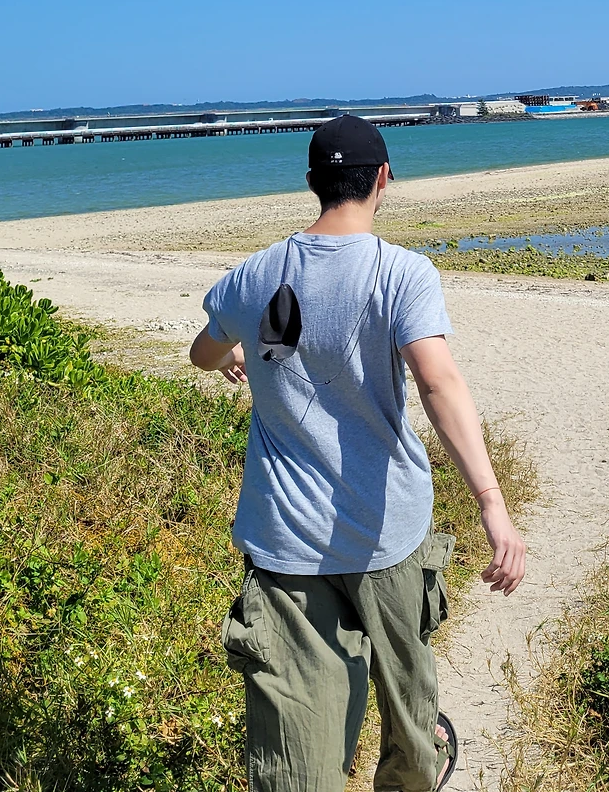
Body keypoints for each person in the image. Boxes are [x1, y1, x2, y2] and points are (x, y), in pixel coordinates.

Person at [189, 114, 526, 792]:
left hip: (285, 539)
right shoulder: (402, 273)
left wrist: (231, 355)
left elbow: (202, 351)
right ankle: (418, 764)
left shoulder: (253, 276)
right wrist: (492, 504)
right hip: (386, 530)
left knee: (295, 748)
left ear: (312, 181)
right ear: (383, 179)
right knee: (408, 705)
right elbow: (437, 382)